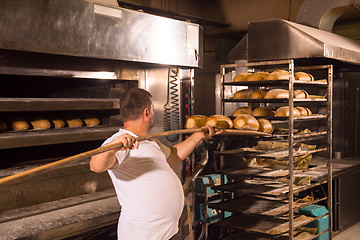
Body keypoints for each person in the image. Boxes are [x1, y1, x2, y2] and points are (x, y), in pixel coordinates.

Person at [90, 88, 215, 240]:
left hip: (163, 233)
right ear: (147, 112)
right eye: (153, 110)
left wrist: (198, 135)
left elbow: (173, 156)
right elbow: (96, 165)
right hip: (143, 234)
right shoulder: (120, 141)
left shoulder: (148, 141)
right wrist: (114, 145)